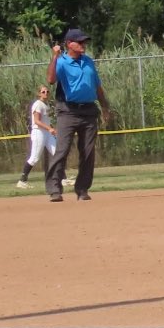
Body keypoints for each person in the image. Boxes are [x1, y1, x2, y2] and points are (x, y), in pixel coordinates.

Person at [45, 28, 113, 202]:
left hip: (89, 111)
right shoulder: (62, 61)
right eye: (80, 42)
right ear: (69, 44)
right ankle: (54, 189)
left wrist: (105, 106)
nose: (84, 44)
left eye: (84, 41)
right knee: (62, 150)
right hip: (68, 111)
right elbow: (51, 80)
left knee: (88, 152)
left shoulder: (89, 62)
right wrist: (54, 57)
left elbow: (97, 87)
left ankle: (82, 189)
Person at [15, 86, 73, 190]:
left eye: (47, 91)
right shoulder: (38, 104)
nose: (45, 93)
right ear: (39, 94)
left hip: (46, 132)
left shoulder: (45, 105)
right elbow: (37, 121)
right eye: (43, 91)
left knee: (57, 154)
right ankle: (22, 181)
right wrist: (49, 129)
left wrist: (51, 129)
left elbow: (46, 121)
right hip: (39, 132)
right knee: (34, 158)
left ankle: (63, 179)